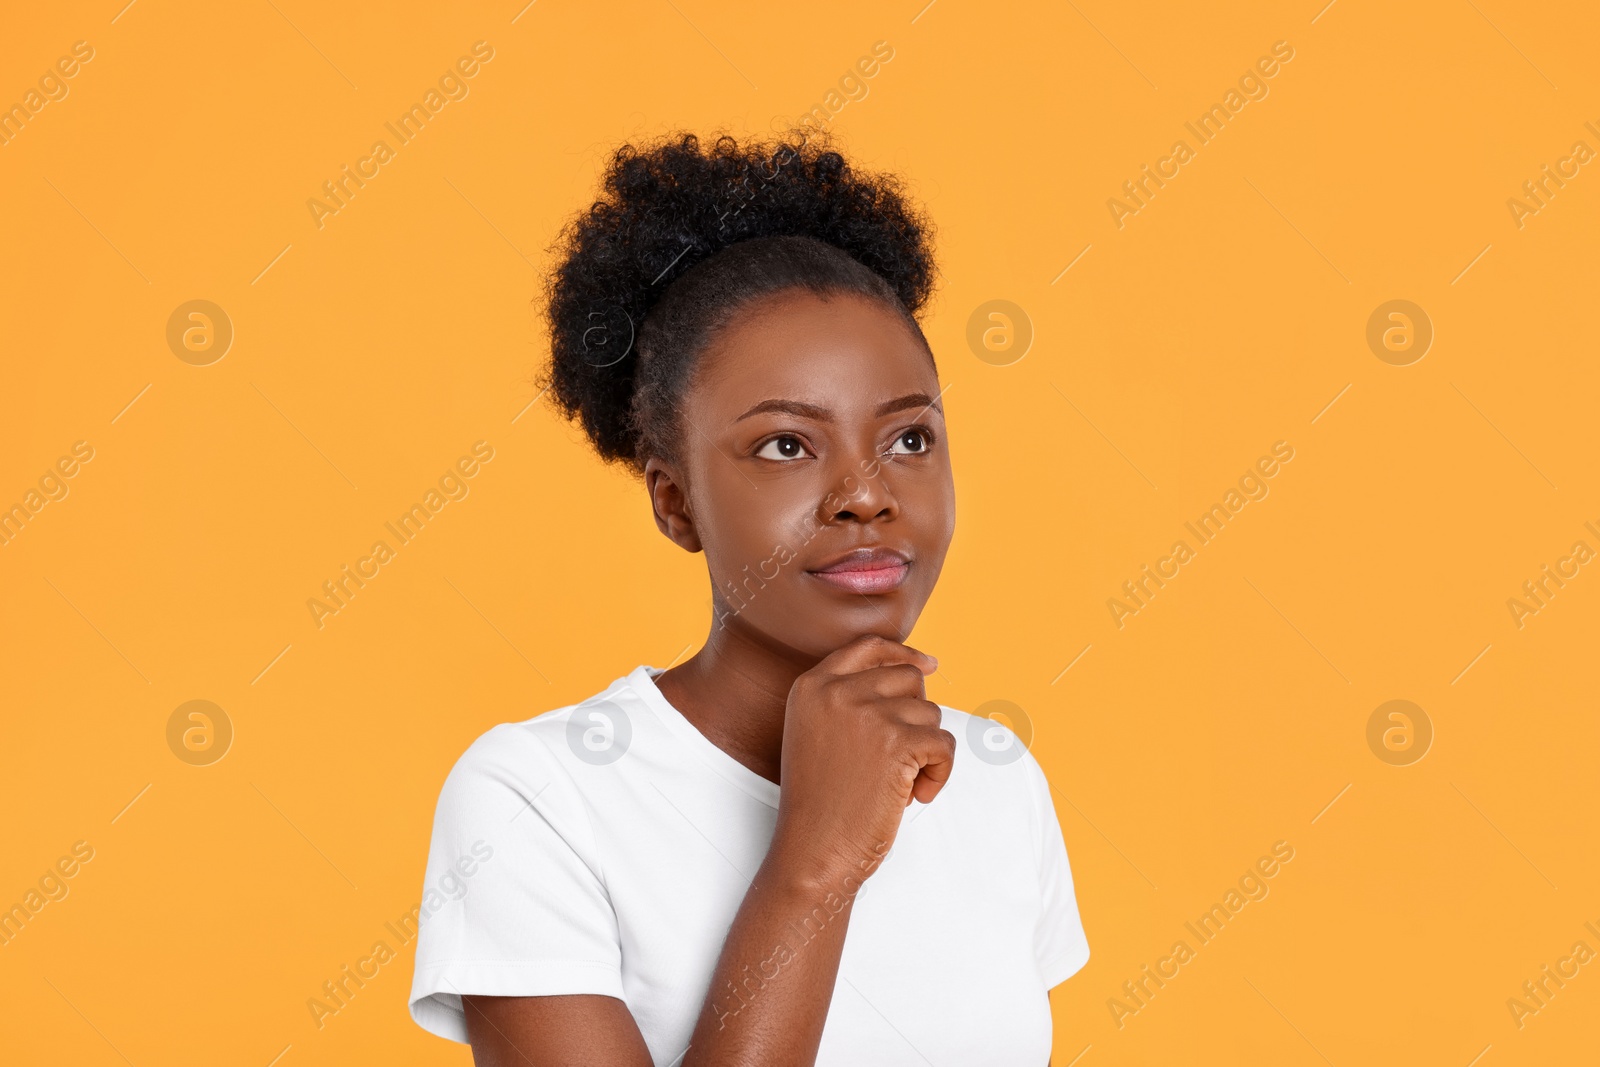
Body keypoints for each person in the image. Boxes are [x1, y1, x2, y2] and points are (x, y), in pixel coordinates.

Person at [407, 130, 1090, 1066]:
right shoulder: (538, 798)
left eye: (911, 439)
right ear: (675, 500)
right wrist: (816, 864)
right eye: (785, 445)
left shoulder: (997, 778)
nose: (867, 492)